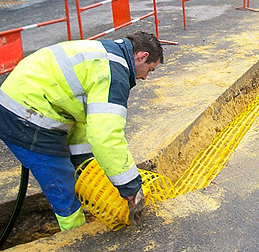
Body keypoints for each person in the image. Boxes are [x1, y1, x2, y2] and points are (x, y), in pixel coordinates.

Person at [0, 31, 163, 230]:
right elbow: (106, 137)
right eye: (150, 70)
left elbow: (84, 118)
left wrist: (82, 161)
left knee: (71, 173)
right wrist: (130, 187)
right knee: (62, 186)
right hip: (25, 116)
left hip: (28, 99)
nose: (145, 77)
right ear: (142, 56)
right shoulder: (114, 74)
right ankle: (75, 237)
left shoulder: (106, 54)